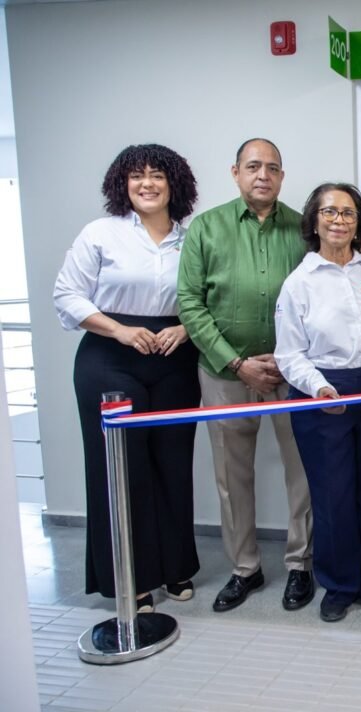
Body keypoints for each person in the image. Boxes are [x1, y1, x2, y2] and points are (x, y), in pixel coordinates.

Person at [54, 143, 201, 611]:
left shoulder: (192, 237)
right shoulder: (101, 233)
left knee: (173, 465)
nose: (148, 183)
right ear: (122, 184)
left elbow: (207, 297)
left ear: (174, 183)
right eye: (137, 176)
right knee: (120, 469)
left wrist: (182, 327)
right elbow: (67, 296)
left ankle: (176, 567)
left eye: (158, 175)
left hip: (174, 353)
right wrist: (120, 330)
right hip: (109, 356)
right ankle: (129, 578)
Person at [177, 138, 314, 613]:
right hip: (225, 371)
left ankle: (300, 564)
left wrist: (286, 358)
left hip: (290, 370)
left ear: (282, 175)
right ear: (235, 172)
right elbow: (190, 303)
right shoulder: (206, 229)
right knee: (232, 476)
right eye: (253, 166)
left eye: (272, 168)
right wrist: (237, 363)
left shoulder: (303, 228)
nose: (263, 175)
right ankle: (245, 569)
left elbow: (317, 300)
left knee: (303, 470)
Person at [275, 183, 361, 623]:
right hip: (322, 393)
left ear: (358, 221)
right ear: (314, 220)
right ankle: (340, 583)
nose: (340, 220)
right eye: (330, 212)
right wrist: (319, 388)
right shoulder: (299, 282)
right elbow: (288, 353)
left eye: (348, 213)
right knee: (333, 495)